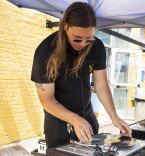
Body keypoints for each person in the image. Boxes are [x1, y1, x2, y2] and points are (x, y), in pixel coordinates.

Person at [31, 2, 131, 149]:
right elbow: (47, 99)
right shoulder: (45, 51)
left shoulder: (97, 47)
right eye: (77, 39)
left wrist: (114, 116)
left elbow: (101, 84)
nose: (83, 44)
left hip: (87, 116)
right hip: (58, 122)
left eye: (88, 39)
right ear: (65, 26)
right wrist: (74, 119)